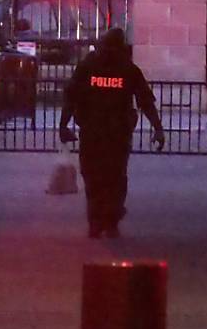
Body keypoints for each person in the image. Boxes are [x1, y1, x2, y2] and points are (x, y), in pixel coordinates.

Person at [59, 28, 165, 239]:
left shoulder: (88, 66)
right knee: (115, 178)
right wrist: (158, 128)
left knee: (93, 176)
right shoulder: (127, 69)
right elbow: (145, 101)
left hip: (93, 132)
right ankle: (110, 219)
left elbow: (71, 97)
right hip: (117, 134)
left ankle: (96, 220)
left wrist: (63, 125)